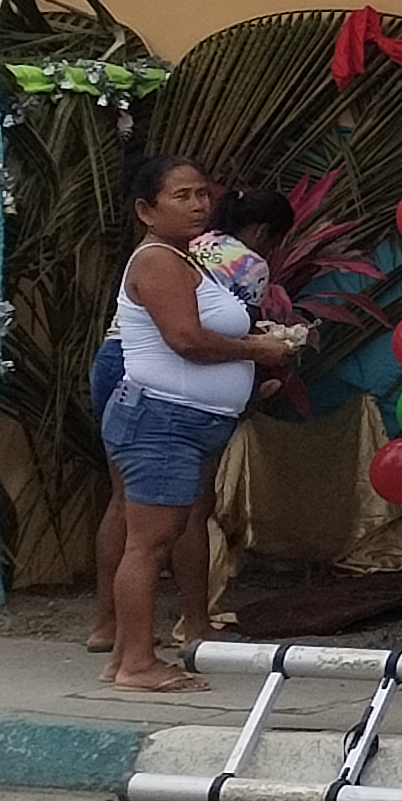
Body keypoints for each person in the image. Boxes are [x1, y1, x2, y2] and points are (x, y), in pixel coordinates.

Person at [100, 158, 296, 693]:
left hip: (178, 420)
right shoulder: (157, 261)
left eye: (201, 194)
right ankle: (137, 664)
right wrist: (257, 349)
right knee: (148, 544)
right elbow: (185, 339)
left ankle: (124, 657)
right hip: (160, 418)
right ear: (146, 210)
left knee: (155, 538)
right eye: (181, 196)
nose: (197, 205)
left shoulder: (185, 258)